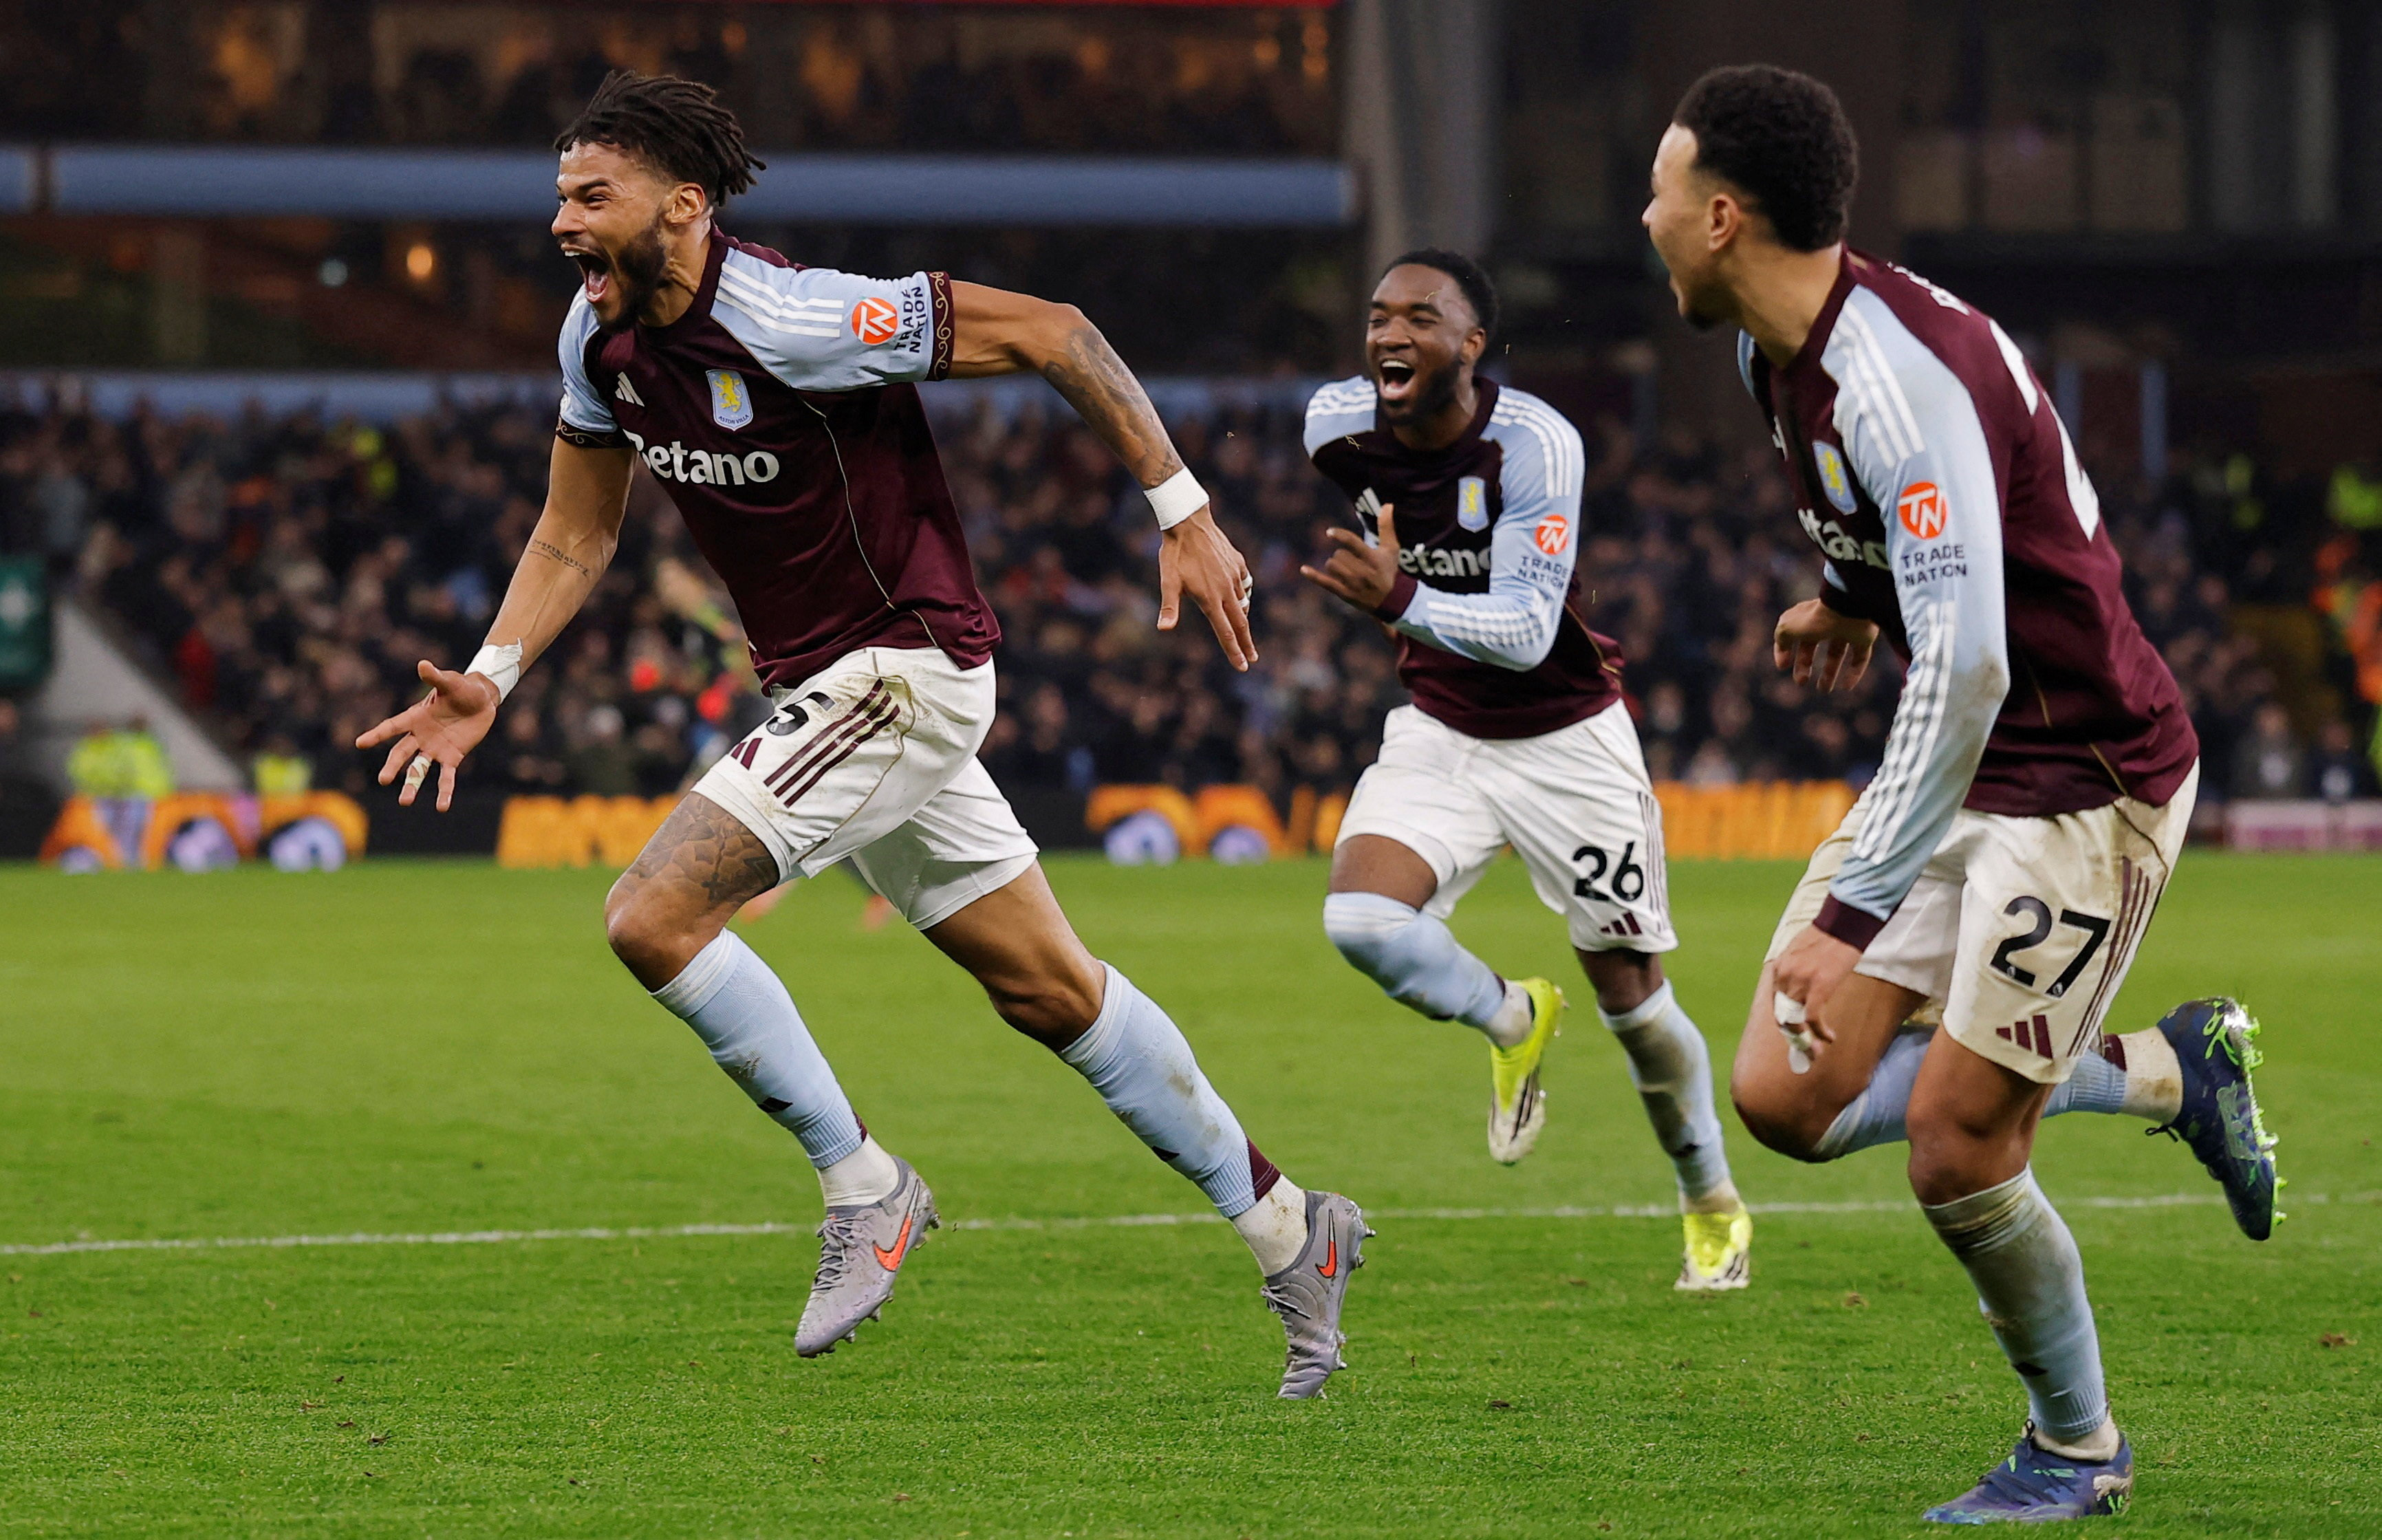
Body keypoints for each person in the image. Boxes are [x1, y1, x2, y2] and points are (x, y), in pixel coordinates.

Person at [356, 72, 1364, 1398]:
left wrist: (1184, 511)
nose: (563, 223)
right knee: (1052, 992)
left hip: (905, 670)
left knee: (650, 917)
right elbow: (575, 530)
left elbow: (1057, 332)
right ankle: (1292, 1228)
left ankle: (864, 1183)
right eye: (560, 197)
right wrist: (493, 674)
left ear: (685, 205)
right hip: (836, 690)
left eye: (593, 196)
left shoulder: (798, 317)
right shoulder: (596, 341)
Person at [1643, 64, 2280, 1521]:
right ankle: (2174, 1071)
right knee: (1784, 1096)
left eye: (1661, 188)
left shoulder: (1893, 378)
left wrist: (1850, 912)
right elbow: (1897, 534)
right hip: (1968, 763)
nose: (1646, 215)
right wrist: (1848, 592)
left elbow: (1977, 659)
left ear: (1723, 217)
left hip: (2086, 782)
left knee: (1957, 1146)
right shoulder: (1771, 356)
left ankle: (2078, 1447)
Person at [1297, 251, 1751, 1291]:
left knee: (1634, 1002)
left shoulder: (1535, 444)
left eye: (1422, 317)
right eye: (1378, 316)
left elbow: (1526, 628)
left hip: (1566, 743)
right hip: (1440, 732)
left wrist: (1401, 600)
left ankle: (1711, 1201)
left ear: (1473, 343)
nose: (1391, 333)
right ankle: (1511, 1014)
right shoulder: (1335, 428)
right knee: (1361, 921)